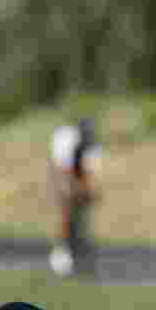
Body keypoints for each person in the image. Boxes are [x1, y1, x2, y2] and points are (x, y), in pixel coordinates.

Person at [48, 117, 102, 277]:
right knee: (66, 211)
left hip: (75, 172)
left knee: (81, 214)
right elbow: (62, 170)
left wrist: (87, 191)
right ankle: (62, 253)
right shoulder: (65, 140)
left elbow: (88, 173)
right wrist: (69, 191)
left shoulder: (91, 145)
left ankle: (80, 251)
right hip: (62, 172)